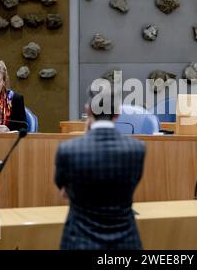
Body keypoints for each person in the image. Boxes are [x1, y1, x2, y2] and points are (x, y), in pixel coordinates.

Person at [54, 83, 146, 250]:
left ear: (89, 111)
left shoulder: (68, 150)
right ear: (117, 113)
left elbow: (64, 192)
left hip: (79, 242)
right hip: (125, 243)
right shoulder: (137, 150)